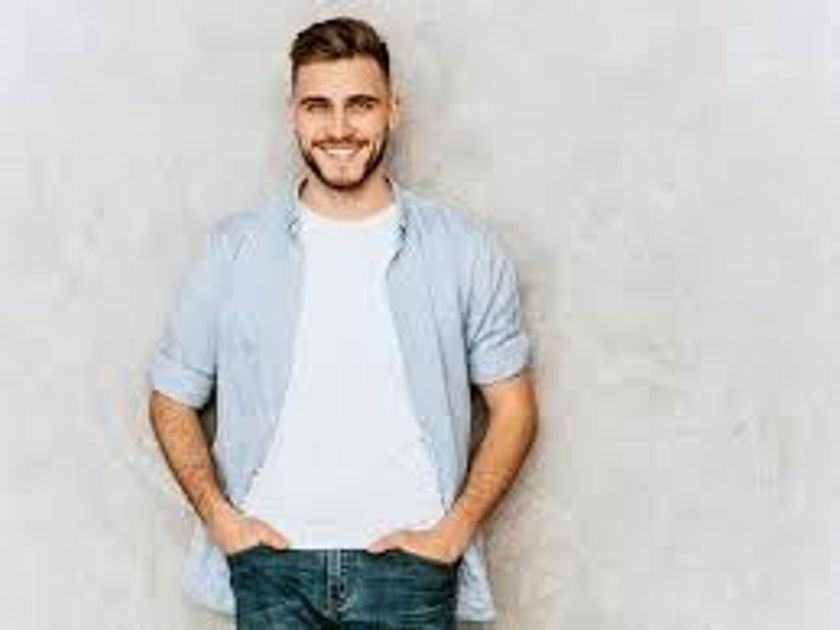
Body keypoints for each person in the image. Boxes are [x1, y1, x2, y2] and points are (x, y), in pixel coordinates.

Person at [147, 15, 539, 629]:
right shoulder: (234, 249)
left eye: (360, 104)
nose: (338, 128)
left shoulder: (463, 249)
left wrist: (453, 532)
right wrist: (223, 522)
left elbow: (514, 409)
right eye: (317, 107)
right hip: (270, 566)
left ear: (393, 111)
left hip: (412, 571)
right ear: (293, 115)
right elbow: (171, 399)